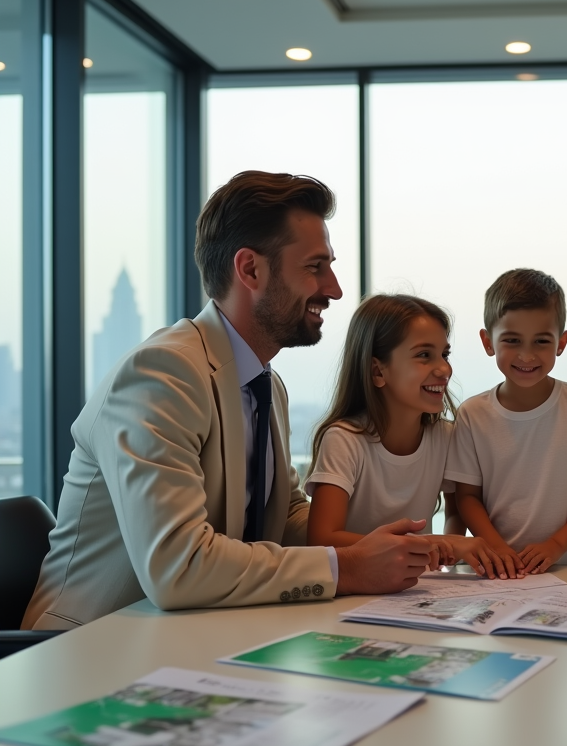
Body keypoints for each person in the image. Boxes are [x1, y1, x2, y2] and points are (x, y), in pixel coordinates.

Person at [24, 171, 433, 631]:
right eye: (315, 267)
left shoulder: (264, 383)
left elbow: (281, 515)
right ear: (250, 270)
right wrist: (349, 567)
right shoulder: (162, 374)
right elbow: (179, 567)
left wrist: (374, 545)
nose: (334, 288)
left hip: (193, 636)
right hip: (88, 653)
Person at [445, 268, 567, 579]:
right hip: (494, 570)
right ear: (488, 342)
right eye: (512, 340)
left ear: (561, 343)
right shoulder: (472, 414)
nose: (527, 355)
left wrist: (556, 544)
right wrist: (497, 548)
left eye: (541, 341)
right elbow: (467, 497)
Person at [305, 293, 496, 574]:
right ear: (377, 371)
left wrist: (446, 551)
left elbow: (455, 513)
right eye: (423, 355)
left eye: (444, 354)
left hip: (418, 588)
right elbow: (321, 540)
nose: (444, 369)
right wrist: (432, 543)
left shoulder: (446, 436)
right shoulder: (344, 440)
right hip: (356, 589)